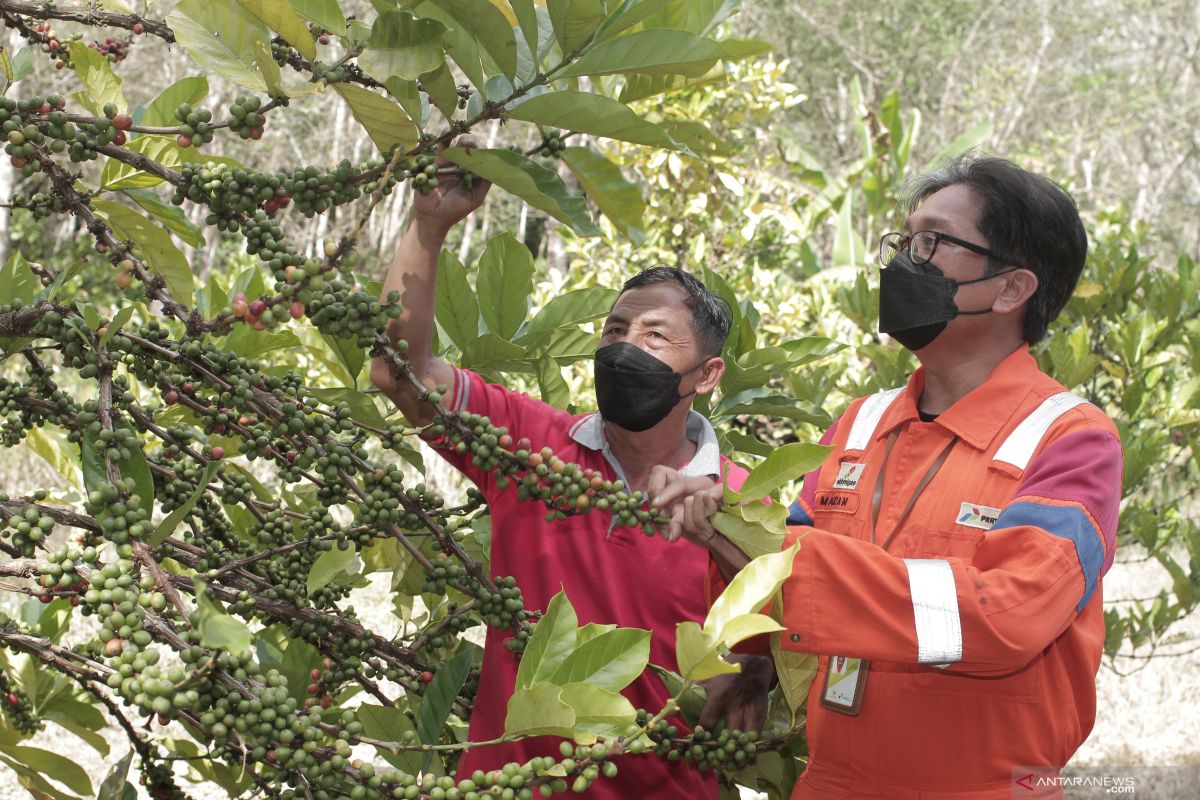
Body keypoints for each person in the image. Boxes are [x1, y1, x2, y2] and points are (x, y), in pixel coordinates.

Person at [648, 155, 1122, 800]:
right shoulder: (859, 424)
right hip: (831, 782)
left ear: (1011, 289)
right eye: (902, 241)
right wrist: (752, 659)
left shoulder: (1072, 439)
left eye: (932, 242)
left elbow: (1008, 616)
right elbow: (783, 572)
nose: (903, 262)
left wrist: (765, 547)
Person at [369, 147, 751, 798]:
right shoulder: (532, 446)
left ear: (707, 375)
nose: (626, 347)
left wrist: (758, 669)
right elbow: (398, 372)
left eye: (655, 337)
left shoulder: (744, 505)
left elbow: (802, 641)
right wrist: (428, 227)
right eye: (615, 330)